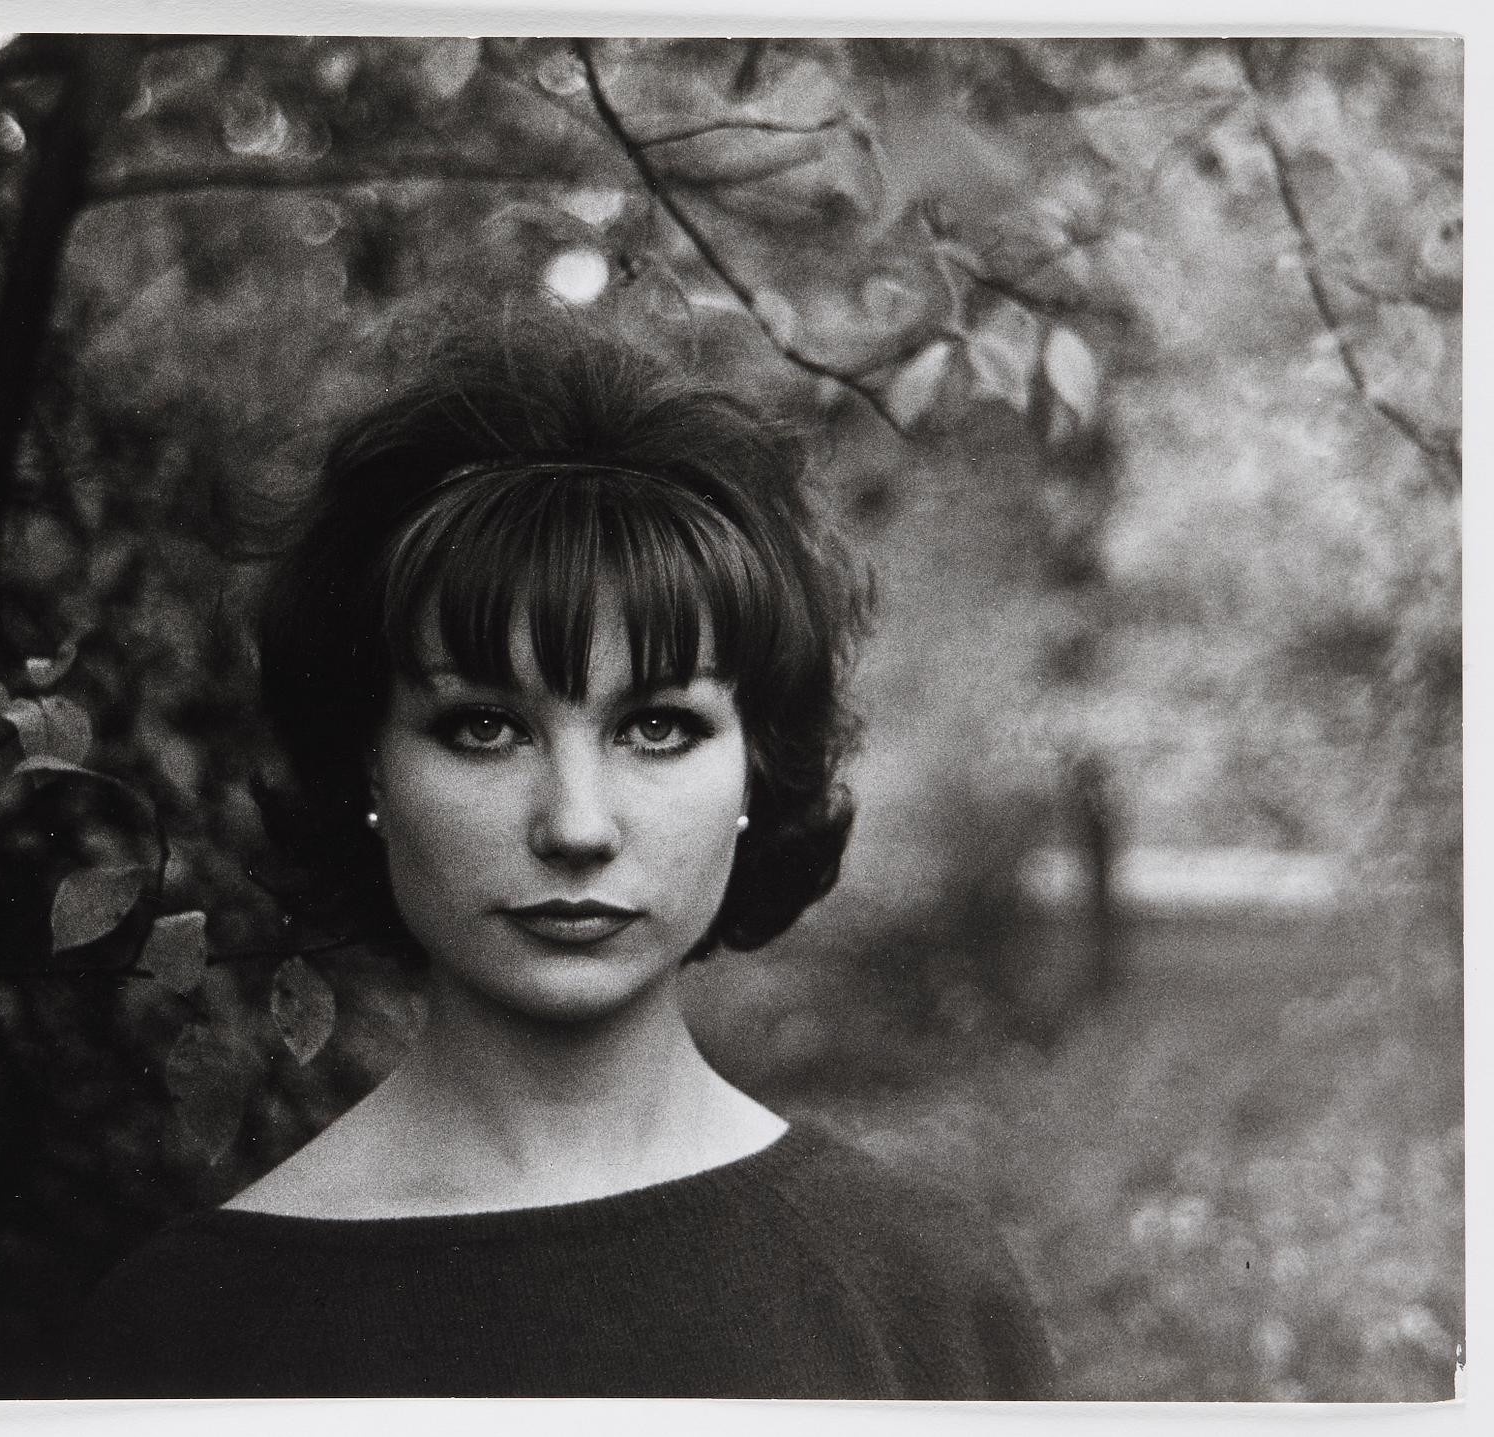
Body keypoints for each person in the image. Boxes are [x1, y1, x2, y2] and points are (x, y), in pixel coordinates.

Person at [71, 318, 1055, 1400]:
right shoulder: (188, 1335)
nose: (577, 826)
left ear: (755, 770)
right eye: (484, 727)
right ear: (367, 767)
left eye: (658, 726)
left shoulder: (925, 1292)